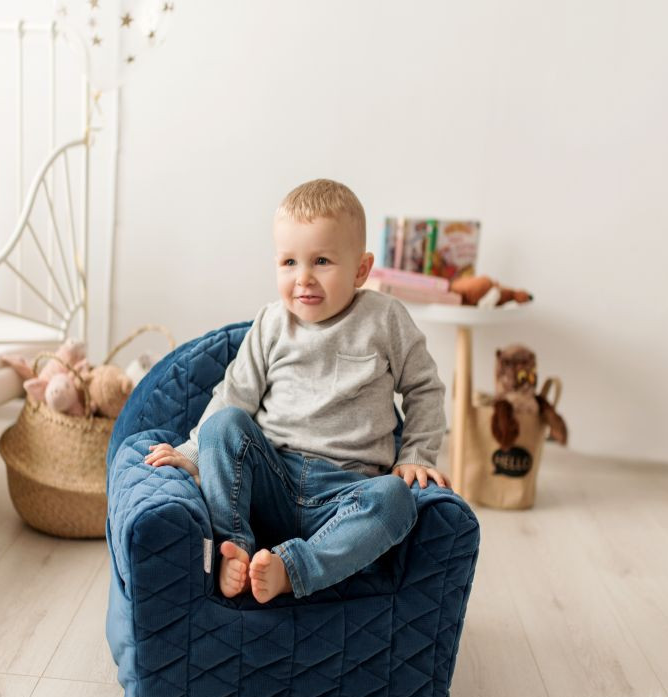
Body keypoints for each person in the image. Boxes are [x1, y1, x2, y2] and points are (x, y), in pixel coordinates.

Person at [144, 179, 449, 603]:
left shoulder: (384, 319)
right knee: (225, 425)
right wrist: (194, 454)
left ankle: (294, 568)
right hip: (273, 481)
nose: (303, 278)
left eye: (321, 261)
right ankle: (235, 547)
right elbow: (235, 396)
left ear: (361, 269)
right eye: (289, 262)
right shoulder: (271, 323)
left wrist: (416, 453)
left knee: (397, 501)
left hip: (346, 493)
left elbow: (425, 388)